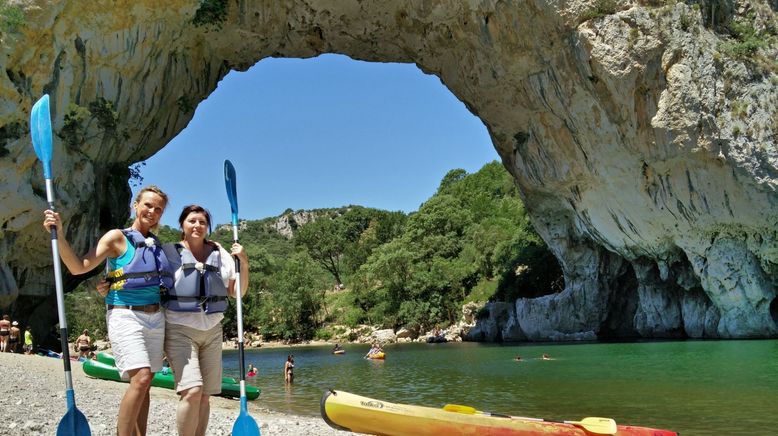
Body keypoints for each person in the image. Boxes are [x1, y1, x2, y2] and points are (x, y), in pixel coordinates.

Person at [44, 185, 173, 436]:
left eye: (158, 209)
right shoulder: (116, 237)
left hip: (157, 319)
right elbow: (78, 267)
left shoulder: (157, 245)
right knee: (142, 377)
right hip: (126, 315)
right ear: (136, 205)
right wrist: (59, 234)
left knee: (144, 385)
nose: (152, 211)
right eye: (148, 205)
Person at [161, 204, 249, 436]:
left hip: (212, 329)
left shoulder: (220, 254)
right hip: (180, 329)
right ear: (182, 224)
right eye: (192, 221)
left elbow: (237, 292)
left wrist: (245, 263)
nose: (197, 225)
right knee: (192, 390)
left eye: (202, 222)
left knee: (205, 395)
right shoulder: (169, 253)